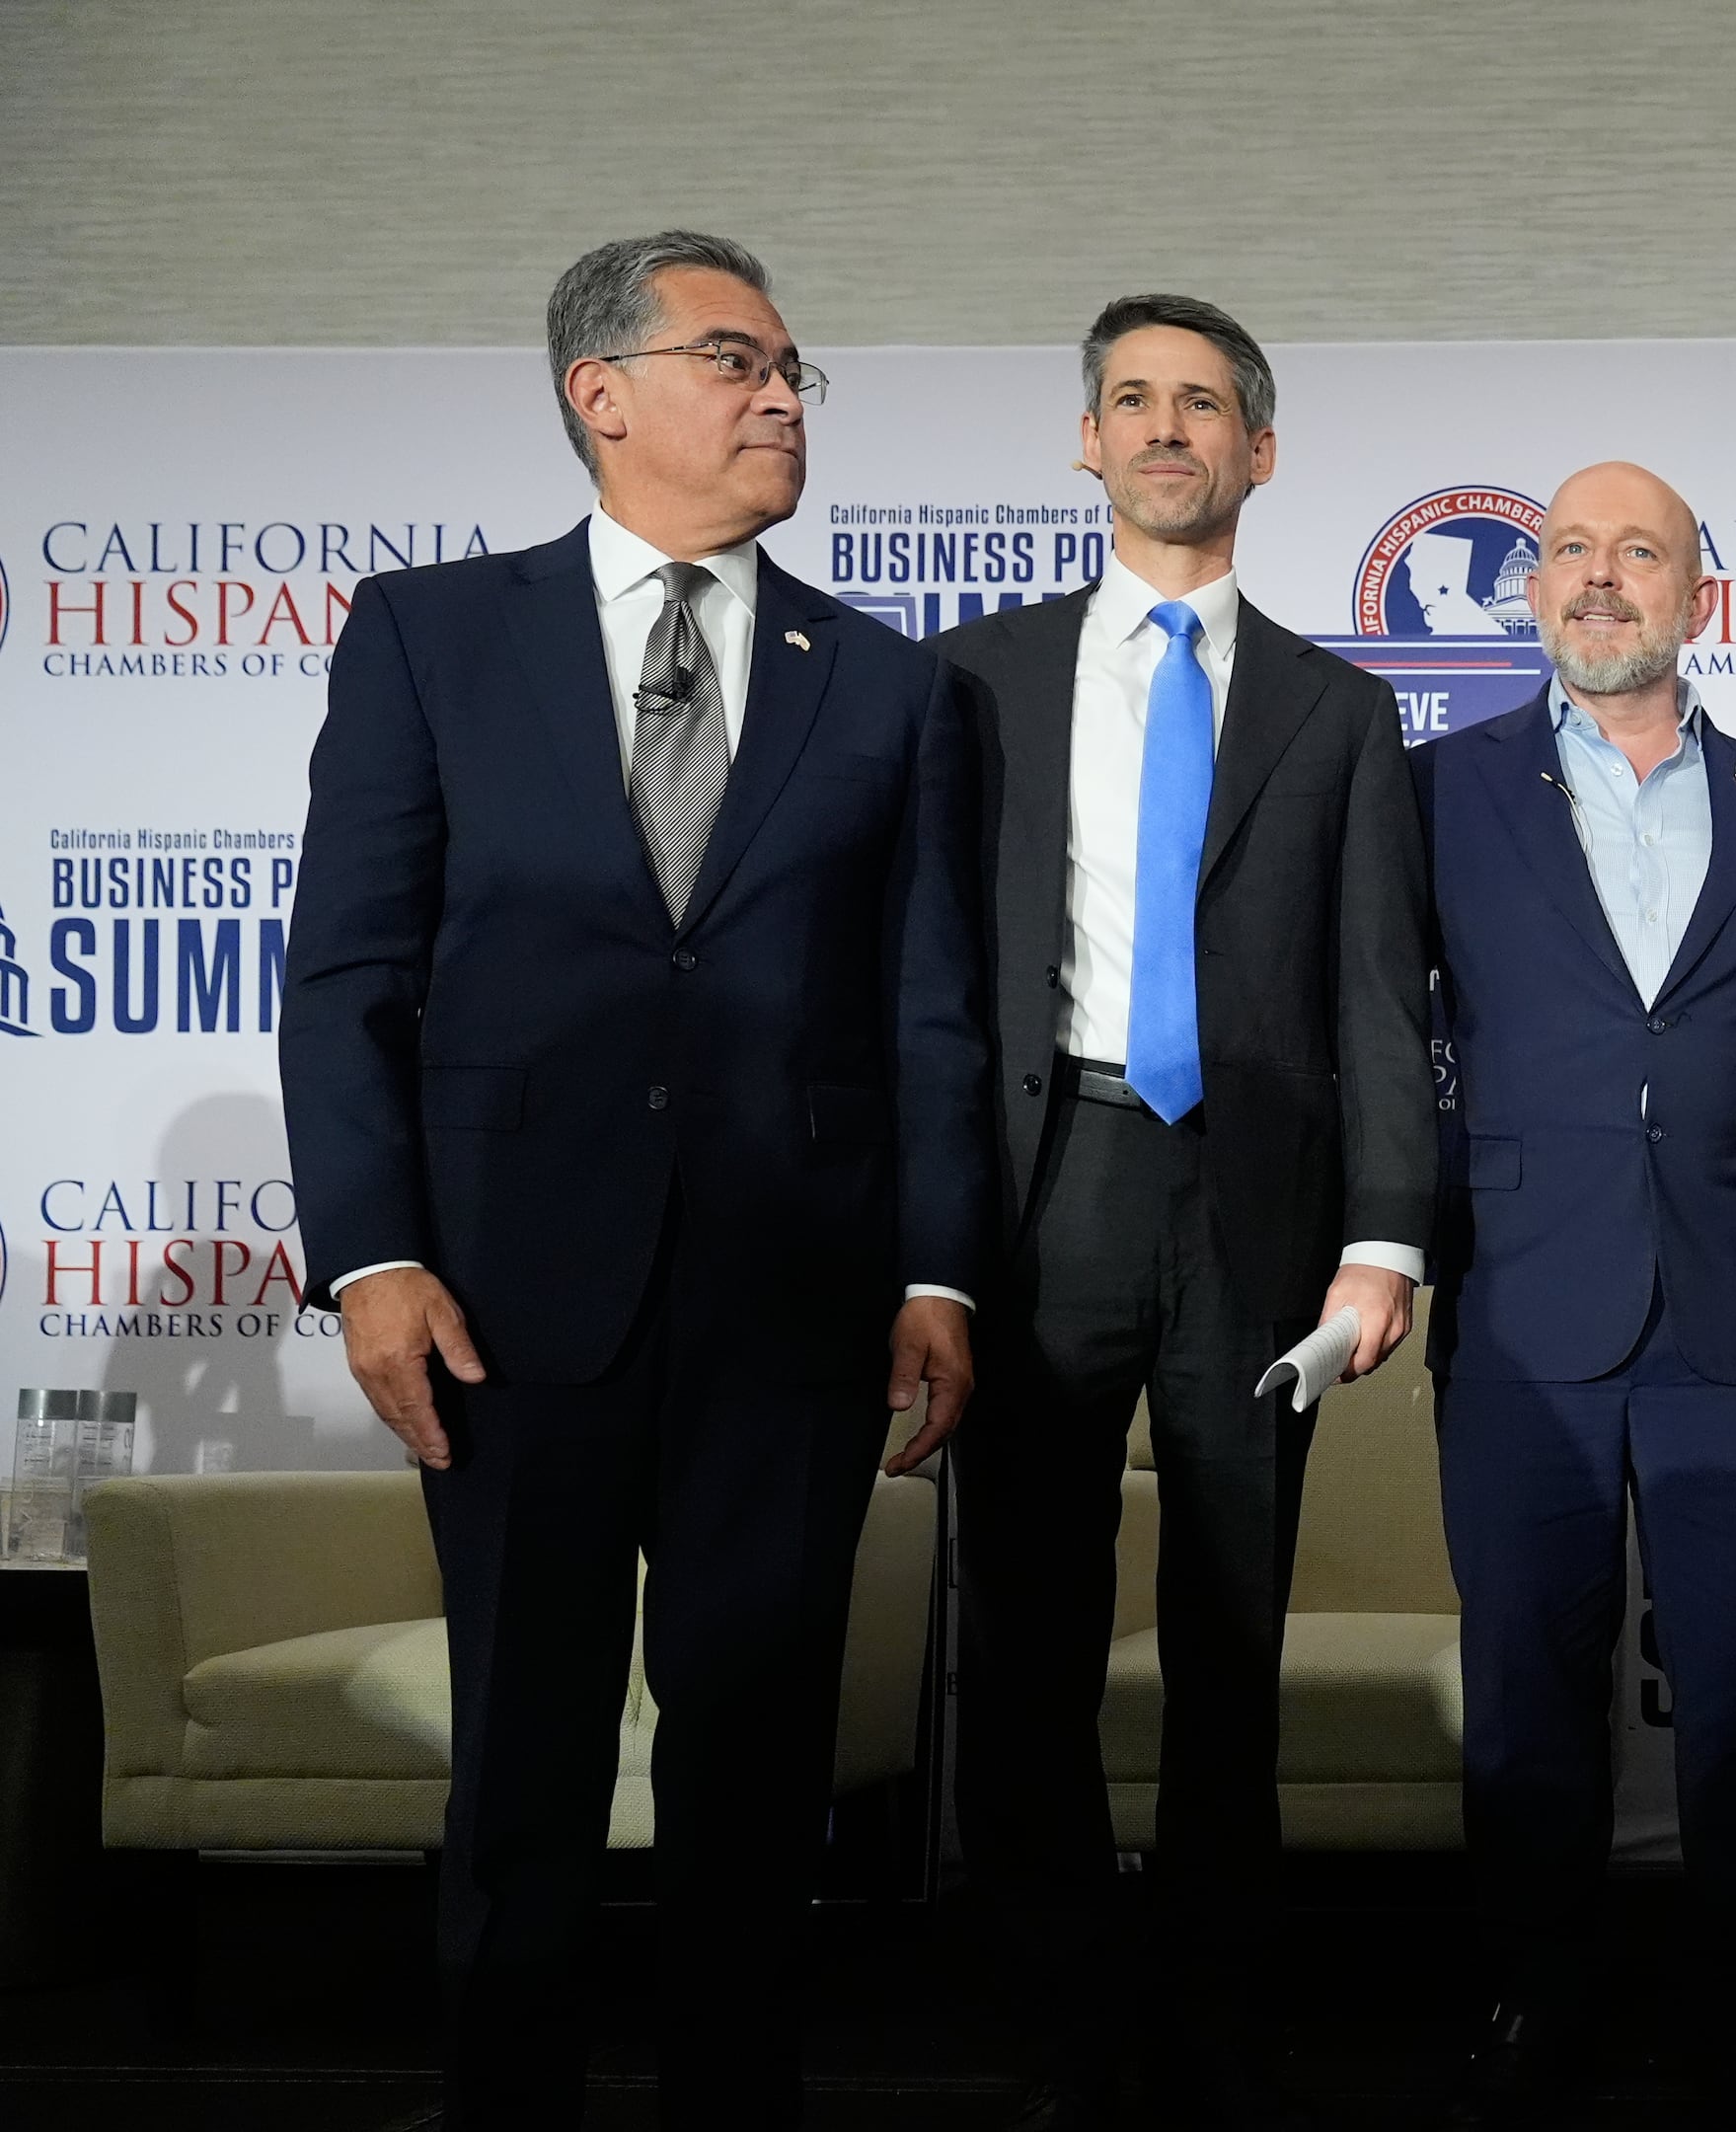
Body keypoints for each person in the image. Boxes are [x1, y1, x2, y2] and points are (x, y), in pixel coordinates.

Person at [281, 230, 993, 2128]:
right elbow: (348, 971)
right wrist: (372, 1255)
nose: (782, 398)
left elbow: (927, 1009)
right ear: (600, 393)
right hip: (509, 1301)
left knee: (754, 1769)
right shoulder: (433, 636)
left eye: (791, 371)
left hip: (796, 1305)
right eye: (736, 361)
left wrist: (938, 1272)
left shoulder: (891, 683)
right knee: (523, 1757)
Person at [934, 294, 1434, 2130]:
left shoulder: (1340, 710)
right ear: (1087, 440)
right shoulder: (969, 683)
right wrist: (922, 1241)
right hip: (1042, 1188)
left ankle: (1221, 2015)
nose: (1166, 428)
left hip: (1257, 1209)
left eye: (1203, 403)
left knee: (1233, 1632)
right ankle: (1060, 2020)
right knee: (1029, 1633)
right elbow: (925, 983)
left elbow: (1379, 995)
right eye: (1133, 400)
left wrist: (1384, 1235)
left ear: (1259, 451)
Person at [1411, 460, 1736, 2131]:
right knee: (1530, 1678)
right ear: (1535, 591)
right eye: (1573, 551)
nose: (1603, 576)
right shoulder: (1435, 792)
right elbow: (1377, 1025)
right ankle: (1536, 1992)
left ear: (1699, 597)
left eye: (1641, 552)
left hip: (1734, 1302)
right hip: (1520, 1300)